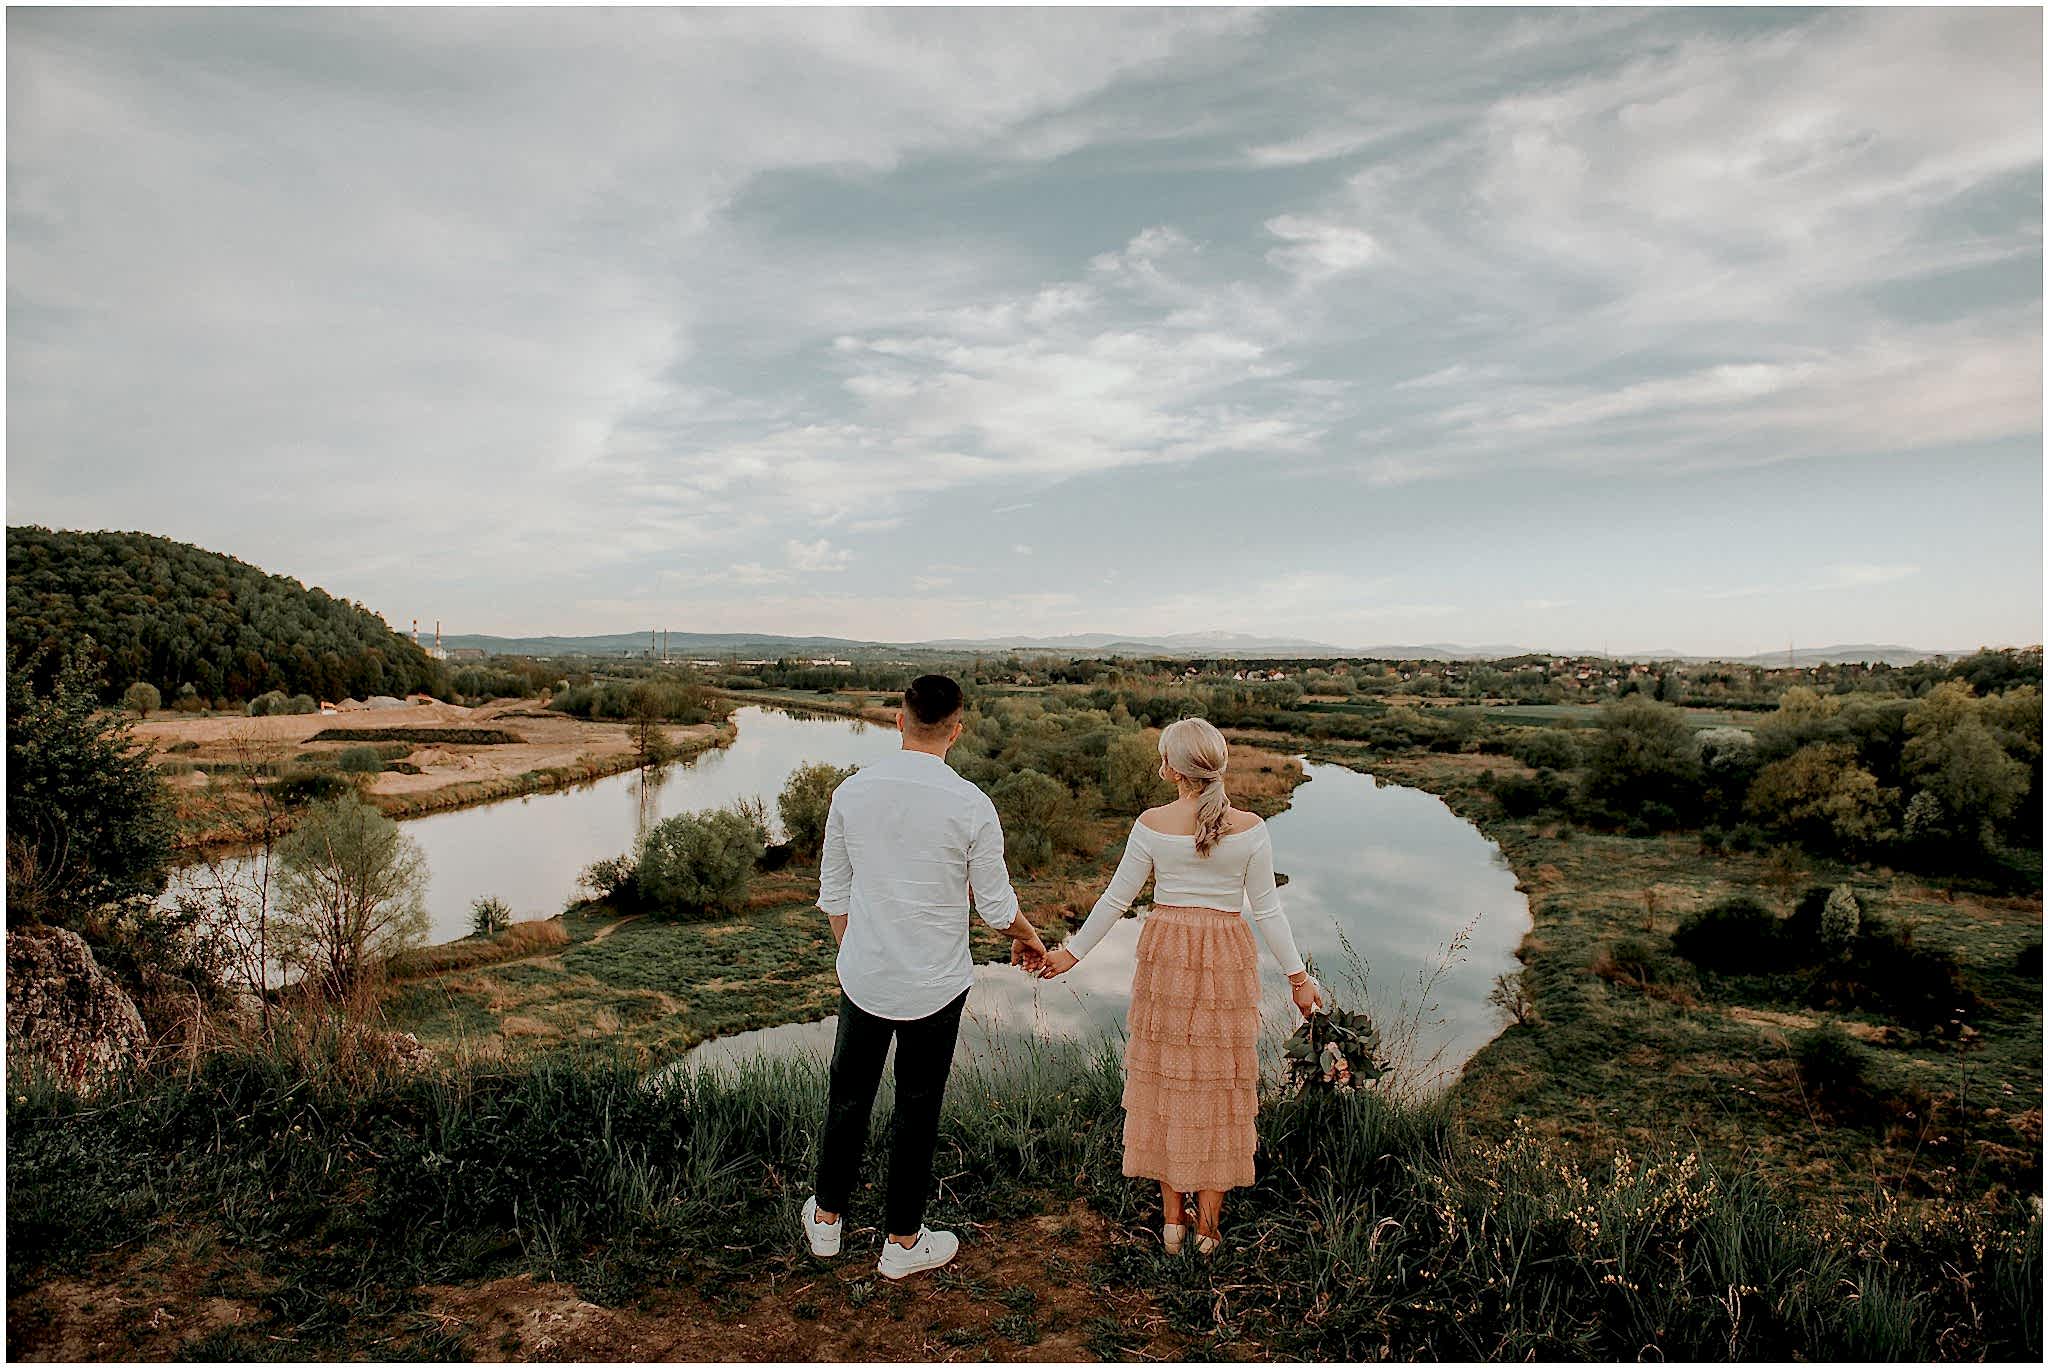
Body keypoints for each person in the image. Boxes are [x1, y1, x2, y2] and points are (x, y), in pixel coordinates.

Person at [1038, 716, 1320, 1256]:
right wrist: (1298, 979)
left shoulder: (1151, 823)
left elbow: (1116, 900)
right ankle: (1209, 1229)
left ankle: (1172, 1222)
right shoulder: (1252, 827)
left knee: (1165, 1080)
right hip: (1226, 958)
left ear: (1172, 770)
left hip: (1166, 953)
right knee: (1217, 1083)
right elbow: (1268, 911)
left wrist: (1070, 954)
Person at [801, 673, 1049, 1279]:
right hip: (936, 985)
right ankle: (902, 1243)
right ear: (956, 731)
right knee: (917, 1106)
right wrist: (1030, 937)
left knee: (849, 1096)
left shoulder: (852, 793)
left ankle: (828, 1221)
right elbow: (995, 909)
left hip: (865, 976)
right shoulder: (971, 805)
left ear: (898, 720)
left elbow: (834, 890)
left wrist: (856, 947)